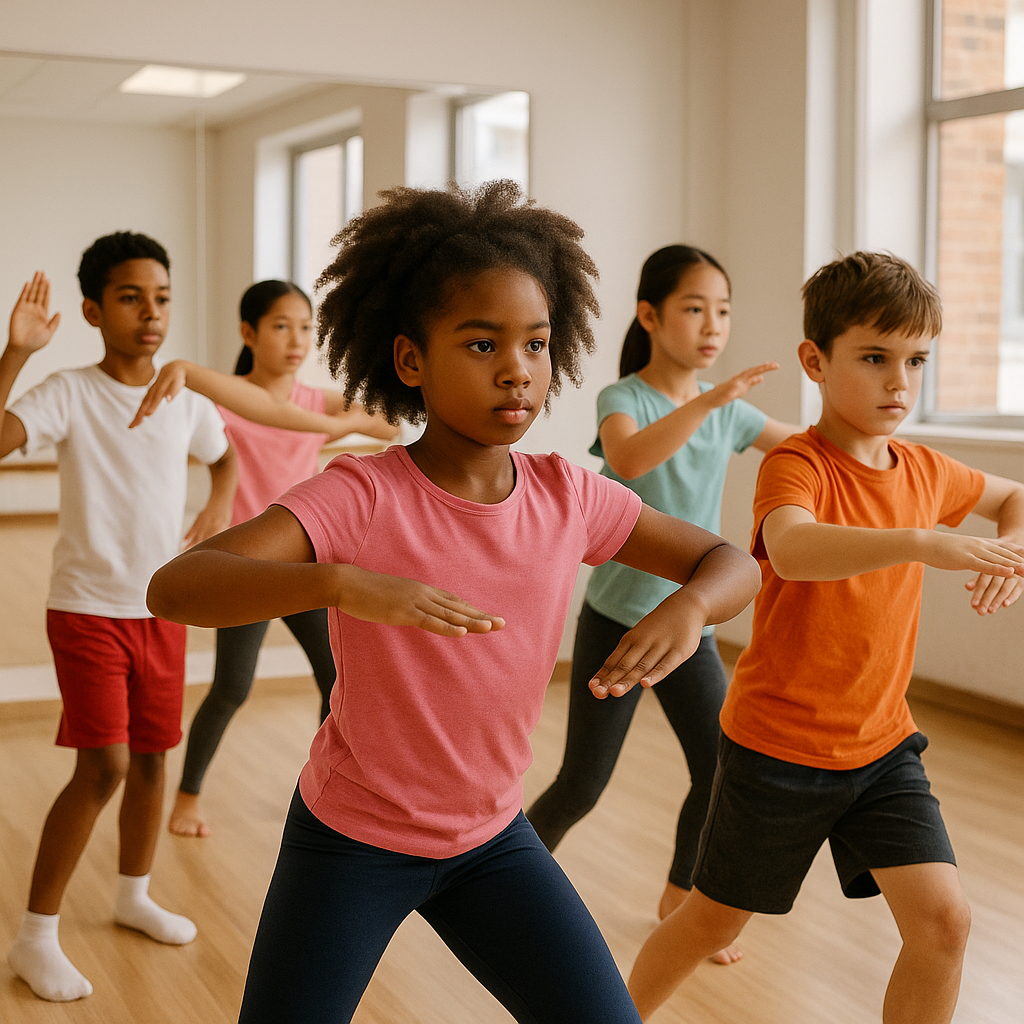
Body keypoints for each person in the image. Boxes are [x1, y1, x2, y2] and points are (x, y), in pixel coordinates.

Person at [146, 180, 763, 1024]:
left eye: (537, 344)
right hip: (351, 841)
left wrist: (689, 610)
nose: (517, 368)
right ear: (410, 360)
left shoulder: (569, 495)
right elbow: (177, 588)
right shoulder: (362, 496)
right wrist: (338, 581)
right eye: (481, 343)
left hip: (492, 844)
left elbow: (731, 562)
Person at [626, 252, 1024, 1023]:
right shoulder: (796, 464)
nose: (899, 383)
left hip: (883, 751)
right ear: (816, 360)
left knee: (945, 923)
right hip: (778, 752)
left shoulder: (928, 469)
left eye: (915, 360)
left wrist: (1013, 555)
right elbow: (797, 549)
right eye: (874, 358)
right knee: (712, 921)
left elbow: (1014, 496)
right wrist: (921, 541)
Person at [527, 245, 800, 959]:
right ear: (650, 315)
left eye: (724, 310)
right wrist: (712, 400)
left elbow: (805, 453)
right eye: (694, 308)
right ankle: (504, 879)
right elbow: (630, 460)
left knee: (720, 768)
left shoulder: (730, 416)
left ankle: (680, 893)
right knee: (582, 783)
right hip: (621, 623)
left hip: (692, 627)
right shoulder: (625, 398)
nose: (713, 325)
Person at [0, 234, 238, 1002]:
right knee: (101, 766)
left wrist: (221, 499)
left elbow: (225, 454)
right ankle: (34, 937)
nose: (151, 313)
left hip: (163, 605)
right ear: (94, 312)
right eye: (132, 298)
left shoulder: (186, 396)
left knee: (151, 758)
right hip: (85, 610)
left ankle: (134, 893)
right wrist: (16, 355)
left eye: (162, 297)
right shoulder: (68, 391)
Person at [136, 279, 395, 839]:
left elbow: (390, 423)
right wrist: (341, 427)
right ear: (249, 333)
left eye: (305, 327)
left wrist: (349, 417)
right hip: (247, 570)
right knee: (233, 687)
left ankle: (330, 790)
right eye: (282, 326)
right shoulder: (229, 396)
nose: (297, 339)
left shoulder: (315, 399)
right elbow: (260, 419)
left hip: (304, 567)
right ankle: (188, 795)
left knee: (336, 681)